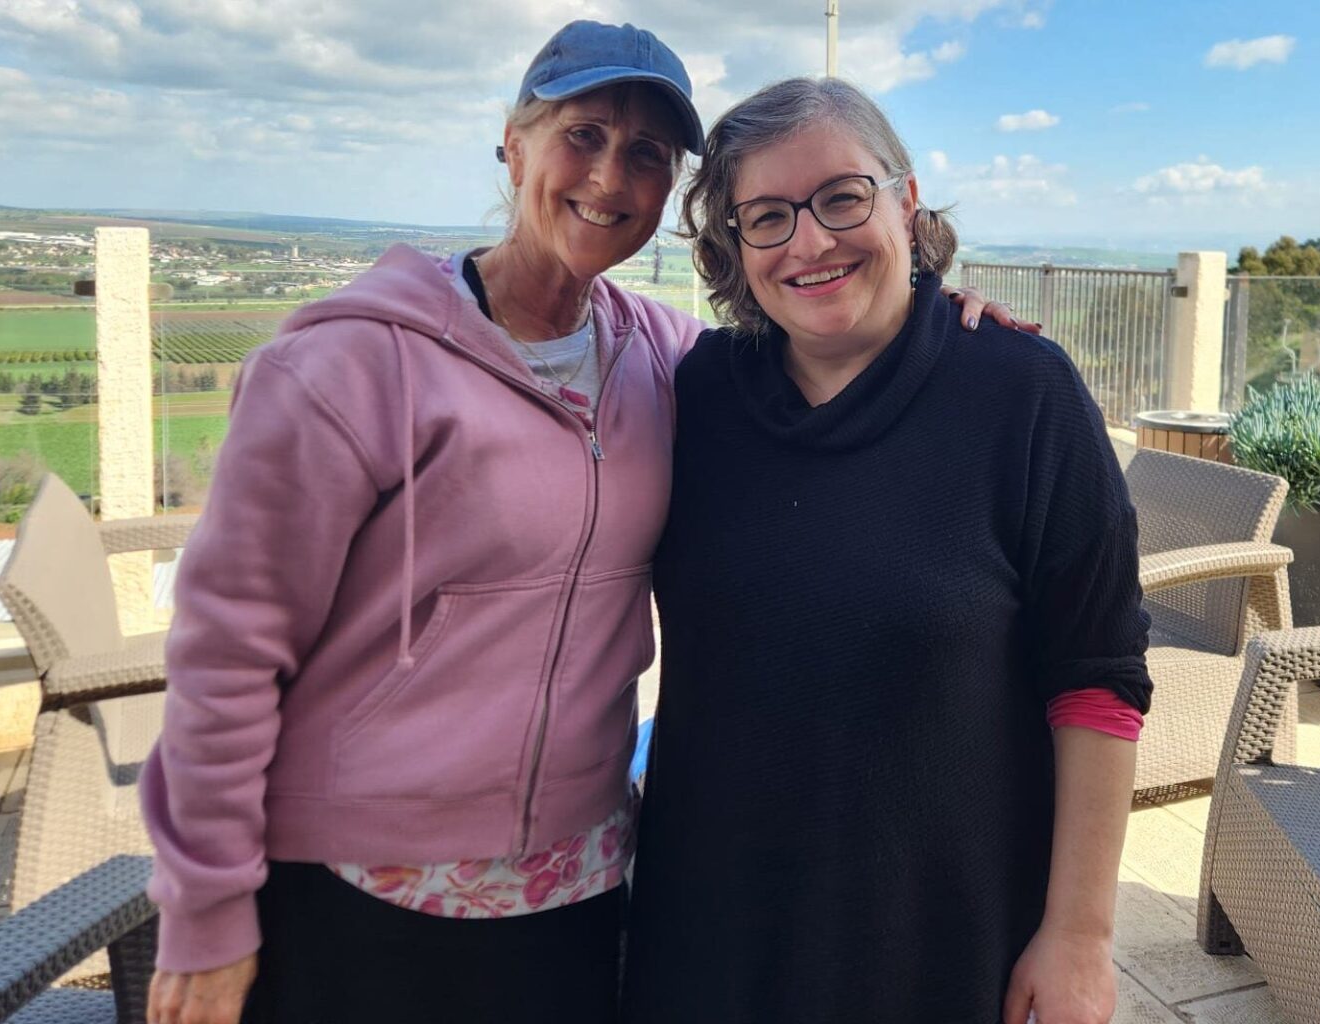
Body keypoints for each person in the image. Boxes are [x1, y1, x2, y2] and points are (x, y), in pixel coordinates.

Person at [139, 23, 1024, 1024]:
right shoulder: (346, 369)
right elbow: (226, 652)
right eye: (584, 133)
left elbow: (816, 339)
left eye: (647, 153)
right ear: (512, 145)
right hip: (360, 882)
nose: (611, 175)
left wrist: (941, 322)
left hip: (577, 879)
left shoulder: (666, 359)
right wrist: (205, 910)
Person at [621, 77, 1153, 1024]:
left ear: (906, 200)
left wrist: (1080, 936)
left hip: (940, 941)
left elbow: (1098, 680)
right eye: (767, 216)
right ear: (732, 248)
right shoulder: (694, 392)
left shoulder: (1022, 394)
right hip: (709, 931)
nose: (810, 241)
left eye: (843, 197)